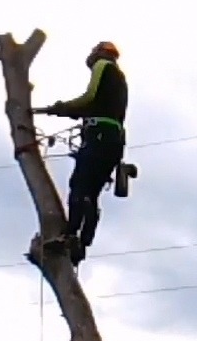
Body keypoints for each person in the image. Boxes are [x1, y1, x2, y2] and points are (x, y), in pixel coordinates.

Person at [35, 41, 128, 261]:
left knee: (79, 186)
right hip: (113, 139)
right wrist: (66, 111)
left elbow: (90, 98)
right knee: (91, 193)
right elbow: (97, 106)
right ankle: (83, 242)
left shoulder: (103, 65)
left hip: (99, 135)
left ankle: (70, 236)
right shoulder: (119, 81)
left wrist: (64, 107)